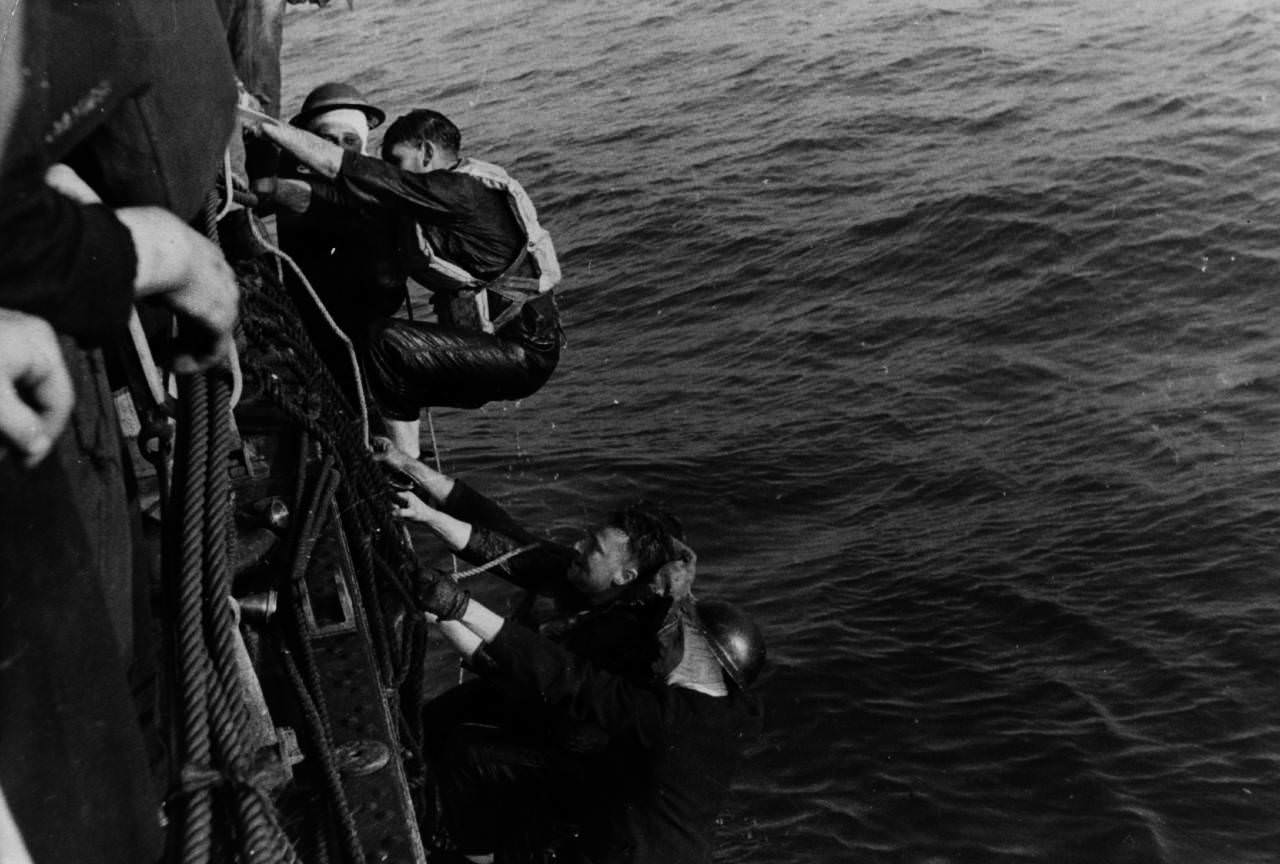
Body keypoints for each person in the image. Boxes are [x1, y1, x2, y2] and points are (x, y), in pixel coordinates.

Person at [253, 108, 563, 458]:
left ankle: (405, 467)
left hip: (522, 354)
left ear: (427, 153)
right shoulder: (431, 202)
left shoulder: (460, 190)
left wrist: (261, 122)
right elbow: (337, 198)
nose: (391, 170)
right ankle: (388, 451)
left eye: (397, 161)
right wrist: (264, 190)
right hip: (494, 353)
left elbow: (344, 168)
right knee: (370, 371)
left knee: (381, 341)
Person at [416, 564, 766, 864]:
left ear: (703, 658)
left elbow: (568, 678)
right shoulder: (727, 711)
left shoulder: (663, 717)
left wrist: (461, 607)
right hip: (665, 838)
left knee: (474, 757)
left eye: (679, 633)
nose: (665, 637)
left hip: (628, 853)